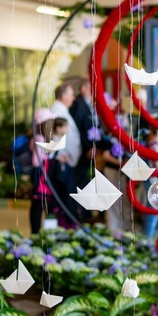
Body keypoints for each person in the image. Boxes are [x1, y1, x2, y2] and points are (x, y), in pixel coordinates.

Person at [49, 83, 82, 225]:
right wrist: (61, 154)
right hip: (63, 160)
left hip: (68, 160)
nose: (73, 98)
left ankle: (68, 223)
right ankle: (66, 224)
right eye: (70, 95)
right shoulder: (57, 111)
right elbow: (55, 135)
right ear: (63, 96)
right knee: (64, 195)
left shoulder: (62, 109)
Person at [69, 77, 98, 221]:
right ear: (84, 89)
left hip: (87, 150)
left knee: (85, 180)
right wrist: (88, 147)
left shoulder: (87, 104)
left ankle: (85, 212)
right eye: (91, 88)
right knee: (80, 181)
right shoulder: (78, 105)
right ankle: (80, 213)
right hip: (81, 152)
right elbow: (78, 129)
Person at [29, 108, 56, 234]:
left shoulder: (43, 137)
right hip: (41, 174)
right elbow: (36, 160)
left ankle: (46, 231)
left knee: (46, 204)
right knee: (39, 205)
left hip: (44, 174)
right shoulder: (39, 138)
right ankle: (36, 232)